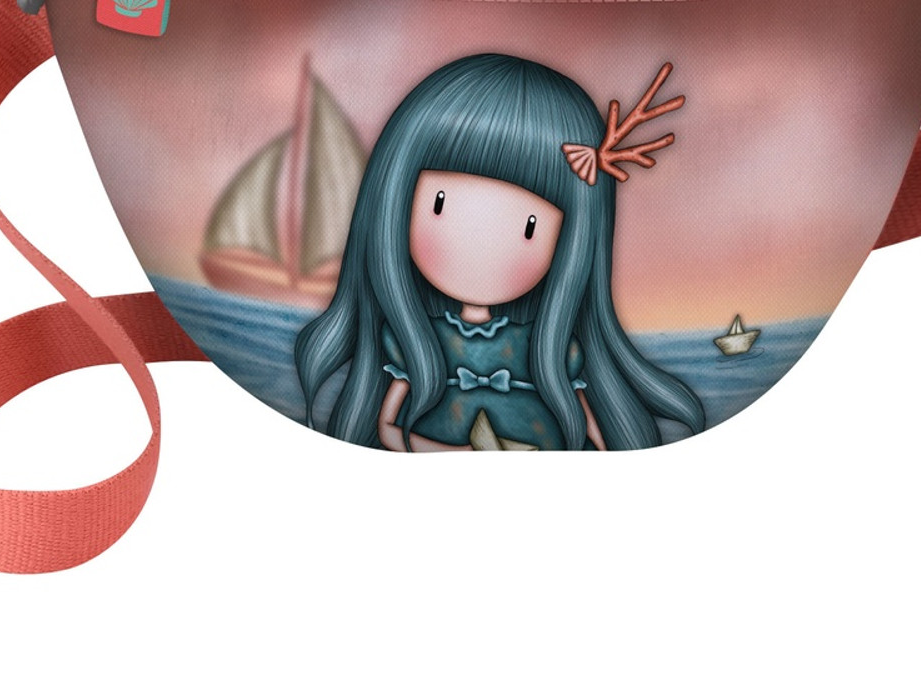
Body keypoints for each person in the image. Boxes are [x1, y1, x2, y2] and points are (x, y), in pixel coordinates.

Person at [294, 53, 705, 450]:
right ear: (395, 199)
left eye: (529, 227)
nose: (478, 241)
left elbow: (589, 426)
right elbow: (387, 428)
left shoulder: (549, 352)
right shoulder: (414, 343)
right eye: (440, 204)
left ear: (571, 242)